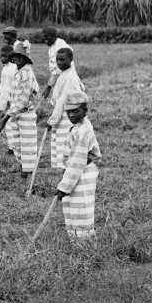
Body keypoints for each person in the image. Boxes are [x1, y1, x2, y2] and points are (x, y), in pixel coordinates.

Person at [55, 91, 101, 239]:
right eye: (68, 112)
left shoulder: (82, 131)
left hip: (81, 173)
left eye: (75, 111)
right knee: (73, 207)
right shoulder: (79, 126)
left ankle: (84, 243)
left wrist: (64, 187)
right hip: (76, 172)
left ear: (85, 110)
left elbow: (76, 162)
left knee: (81, 209)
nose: (71, 115)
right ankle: (76, 238)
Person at [0, 42, 41, 178]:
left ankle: (27, 172)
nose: (17, 60)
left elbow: (23, 98)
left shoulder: (27, 73)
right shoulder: (17, 71)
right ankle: (22, 166)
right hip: (14, 113)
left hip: (25, 113)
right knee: (15, 143)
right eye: (15, 57)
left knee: (27, 144)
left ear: (26, 59)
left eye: (21, 58)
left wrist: (5, 118)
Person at [46, 48, 86, 170]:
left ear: (71, 60)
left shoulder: (69, 76)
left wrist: (52, 121)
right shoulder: (66, 73)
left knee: (65, 147)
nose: (59, 63)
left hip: (66, 117)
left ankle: (66, 178)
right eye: (57, 60)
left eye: (62, 60)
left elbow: (61, 102)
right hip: (67, 115)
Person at [0, 42, 21, 158]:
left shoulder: (11, 69)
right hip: (10, 100)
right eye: (1, 56)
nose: (2, 58)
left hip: (13, 101)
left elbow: (7, 89)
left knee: (12, 125)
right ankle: (12, 147)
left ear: (11, 56)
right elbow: (3, 87)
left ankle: (14, 148)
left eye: (5, 56)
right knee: (10, 125)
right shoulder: (7, 68)